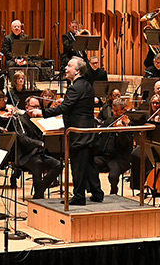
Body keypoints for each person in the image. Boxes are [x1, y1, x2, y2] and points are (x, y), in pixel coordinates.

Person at [27, 56, 102, 205]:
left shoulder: (75, 87)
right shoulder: (87, 85)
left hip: (78, 132)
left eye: (69, 66)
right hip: (88, 129)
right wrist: (67, 100)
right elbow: (77, 105)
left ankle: (79, 196)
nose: (66, 68)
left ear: (77, 71)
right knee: (89, 164)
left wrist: (42, 113)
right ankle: (97, 193)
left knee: (78, 165)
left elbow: (64, 108)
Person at [15, 97, 63, 199]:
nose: (37, 109)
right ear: (27, 108)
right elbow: (23, 140)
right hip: (26, 156)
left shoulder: (40, 119)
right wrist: (40, 143)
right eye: (34, 107)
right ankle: (39, 195)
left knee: (58, 165)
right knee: (38, 163)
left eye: (38, 107)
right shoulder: (20, 120)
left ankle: (40, 190)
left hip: (40, 153)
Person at [93, 97, 135, 196]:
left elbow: (127, 144)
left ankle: (113, 191)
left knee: (113, 176)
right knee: (88, 164)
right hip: (105, 156)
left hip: (119, 158)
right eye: (113, 109)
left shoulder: (129, 124)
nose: (114, 112)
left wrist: (121, 131)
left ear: (124, 110)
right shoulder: (109, 121)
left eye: (117, 110)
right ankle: (95, 190)